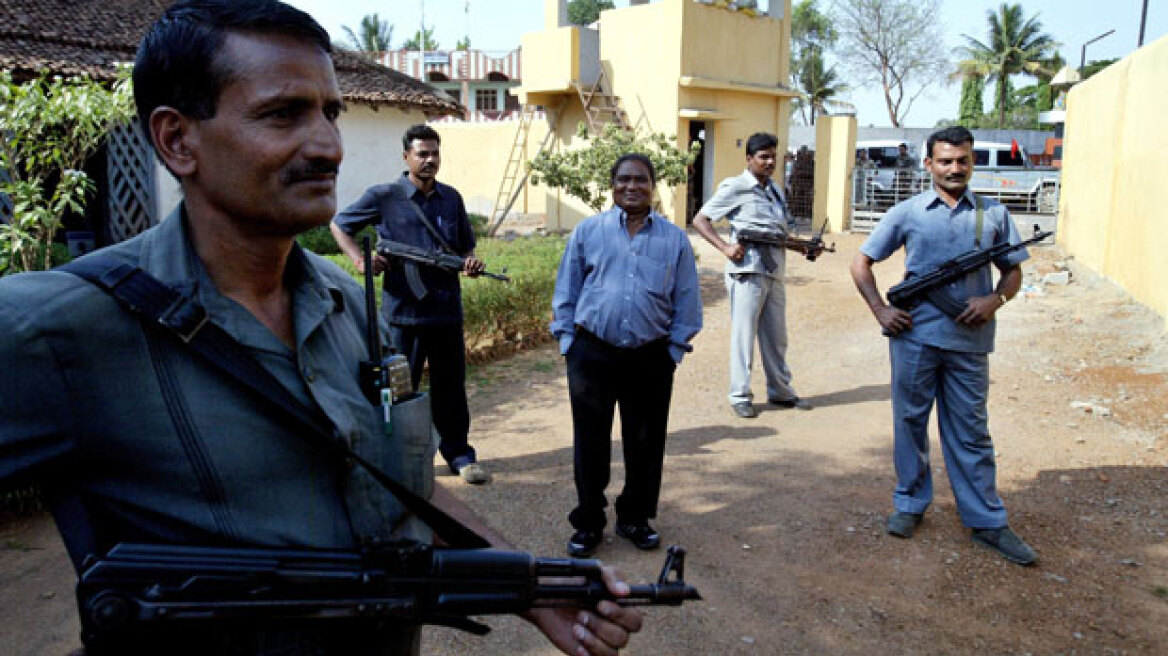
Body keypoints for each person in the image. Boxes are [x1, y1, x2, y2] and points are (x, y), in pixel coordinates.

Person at [0, 1, 643, 653]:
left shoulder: (353, 303)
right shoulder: (59, 325)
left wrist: (533, 588)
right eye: (283, 114)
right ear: (177, 140)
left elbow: (403, 493)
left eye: (330, 113)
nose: (327, 145)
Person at [848, 126, 1038, 566]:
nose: (955, 168)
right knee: (910, 424)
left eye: (963, 160)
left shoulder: (992, 214)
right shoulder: (908, 212)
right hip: (914, 338)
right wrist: (880, 310)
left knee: (971, 431)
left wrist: (995, 299)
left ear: (972, 163)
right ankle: (910, 503)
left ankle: (987, 520)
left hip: (969, 342)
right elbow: (861, 262)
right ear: (929, 164)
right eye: (946, 161)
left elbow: (1012, 270)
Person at [551, 154, 702, 557]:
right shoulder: (589, 232)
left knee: (645, 442)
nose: (631, 186)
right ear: (612, 184)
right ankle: (588, 522)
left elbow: (687, 300)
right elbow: (566, 290)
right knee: (590, 442)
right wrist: (568, 342)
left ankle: (635, 517)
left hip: (650, 357)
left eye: (640, 179)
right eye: (623, 179)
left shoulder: (673, 239)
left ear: (653, 186)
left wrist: (672, 350)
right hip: (592, 353)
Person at [330, 124, 488, 485]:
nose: (430, 160)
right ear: (406, 157)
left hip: (446, 312)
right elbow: (339, 225)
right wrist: (360, 260)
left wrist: (470, 262)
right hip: (403, 314)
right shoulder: (384, 196)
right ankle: (396, 461)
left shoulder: (452, 199)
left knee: (450, 389)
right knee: (399, 390)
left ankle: (459, 453)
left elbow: (465, 246)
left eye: (435, 153)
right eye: (422, 154)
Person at [692, 132, 813, 419]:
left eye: (774, 156)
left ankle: (781, 392)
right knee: (744, 336)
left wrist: (805, 247)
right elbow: (700, 219)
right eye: (764, 157)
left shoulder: (775, 190)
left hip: (774, 270)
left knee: (776, 336)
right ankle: (740, 395)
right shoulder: (735, 187)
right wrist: (724, 247)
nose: (770, 162)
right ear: (749, 159)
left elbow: (779, 234)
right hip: (747, 271)